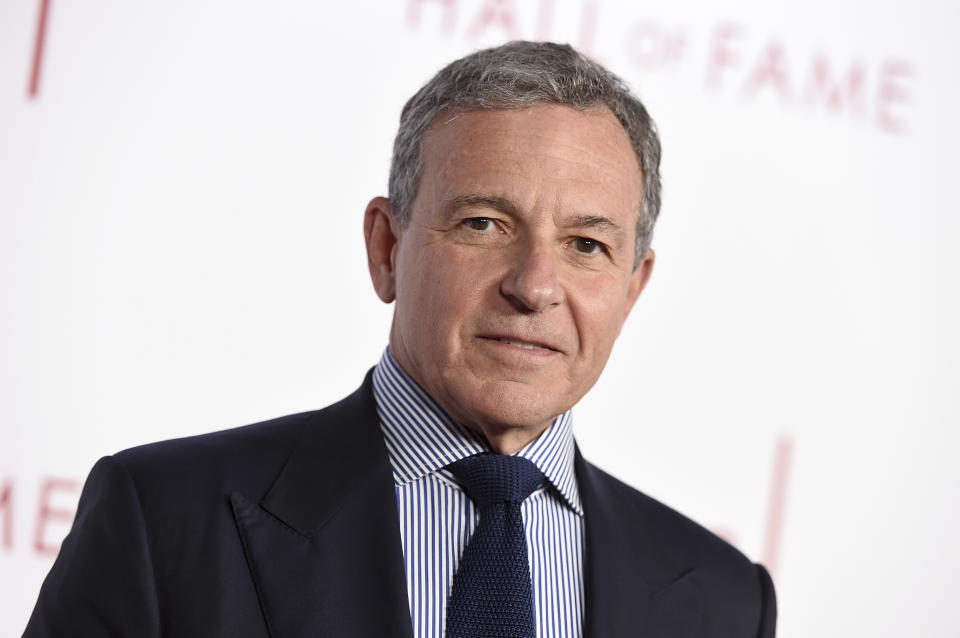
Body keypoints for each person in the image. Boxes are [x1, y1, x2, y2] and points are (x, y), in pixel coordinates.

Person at [24, 41, 776, 638]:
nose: (536, 285)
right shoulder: (164, 522)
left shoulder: (723, 603)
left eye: (586, 245)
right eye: (485, 224)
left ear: (632, 288)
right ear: (387, 247)